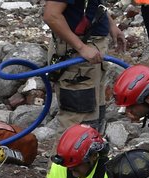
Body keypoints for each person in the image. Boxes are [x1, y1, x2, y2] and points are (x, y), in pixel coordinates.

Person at [42, 0, 126, 129]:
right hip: (78, 53)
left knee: (93, 117)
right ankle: (71, 148)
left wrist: (110, 25)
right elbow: (51, 15)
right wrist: (81, 47)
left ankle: (90, 147)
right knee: (77, 122)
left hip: (91, 52)